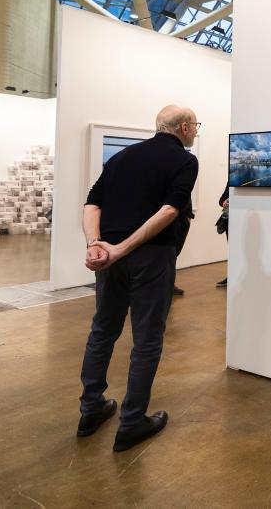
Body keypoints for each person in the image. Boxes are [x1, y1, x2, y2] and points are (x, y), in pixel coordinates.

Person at [78, 105, 200, 451]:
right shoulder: (185, 161)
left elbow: (92, 203)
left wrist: (96, 245)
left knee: (103, 330)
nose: (196, 131)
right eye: (196, 126)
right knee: (147, 339)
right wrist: (121, 249)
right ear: (184, 127)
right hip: (151, 257)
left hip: (110, 257)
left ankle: (90, 409)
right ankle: (131, 422)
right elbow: (170, 210)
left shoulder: (122, 157)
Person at [216, 186, 229, 288]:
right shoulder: (232, 181)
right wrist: (224, 202)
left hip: (242, 220)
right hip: (230, 220)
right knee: (232, 250)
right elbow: (221, 200)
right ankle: (231, 275)